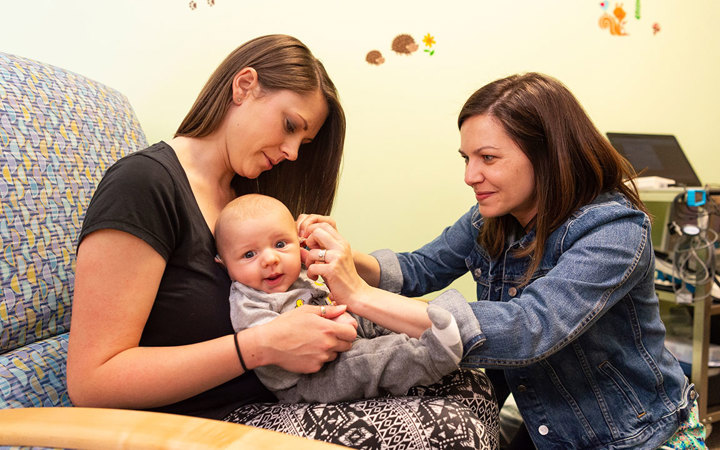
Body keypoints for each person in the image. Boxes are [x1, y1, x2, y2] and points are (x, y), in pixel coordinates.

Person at [67, 34, 499, 449]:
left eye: (303, 142)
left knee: (470, 382)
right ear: (244, 86)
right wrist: (262, 345)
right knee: (451, 428)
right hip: (196, 424)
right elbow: (92, 381)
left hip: (269, 399)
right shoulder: (143, 185)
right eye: (290, 126)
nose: (293, 153)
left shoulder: (243, 198)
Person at [297, 72, 706, 449]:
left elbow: (528, 329)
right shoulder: (490, 219)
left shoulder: (615, 230)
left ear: (547, 156)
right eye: (466, 158)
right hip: (550, 427)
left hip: (635, 436)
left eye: (488, 158)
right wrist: (344, 256)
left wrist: (358, 293)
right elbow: (420, 267)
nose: (470, 175)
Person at [215, 193, 464, 404]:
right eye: (249, 254)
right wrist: (335, 327)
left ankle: (430, 328)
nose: (270, 259)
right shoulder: (248, 299)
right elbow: (275, 347)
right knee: (369, 361)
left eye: (280, 243)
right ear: (223, 264)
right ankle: (433, 356)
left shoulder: (300, 268)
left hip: (343, 330)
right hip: (311, 377)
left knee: (378, 314)